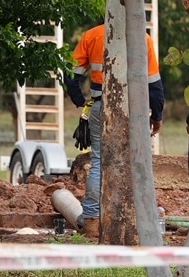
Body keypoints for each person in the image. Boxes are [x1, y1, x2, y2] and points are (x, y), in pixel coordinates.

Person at [65, 20, 161, 223]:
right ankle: (136, 214)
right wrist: (157, 116)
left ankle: (91, 214)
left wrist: (80, 101)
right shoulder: (143, 39)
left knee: (100, 160)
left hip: (101, 106)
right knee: (136, 159)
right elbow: (154, 85)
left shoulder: (92, 36)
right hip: (133, 110)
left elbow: (71, 75)